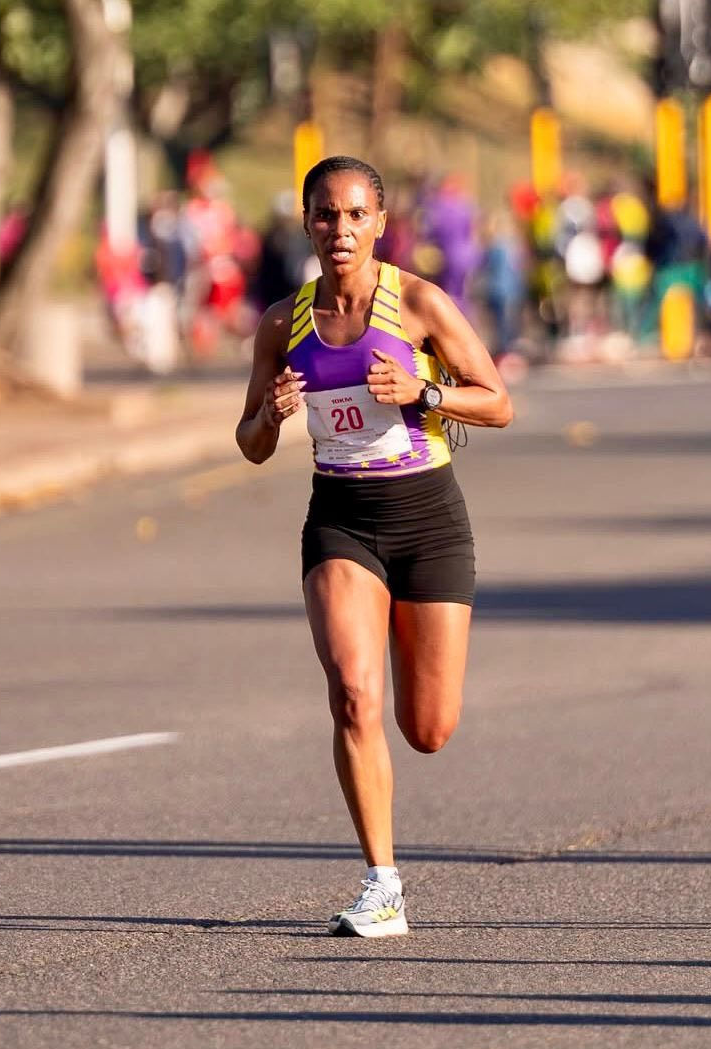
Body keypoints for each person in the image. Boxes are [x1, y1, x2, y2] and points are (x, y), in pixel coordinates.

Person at [235, 156, 512, 938]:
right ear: (307, 223)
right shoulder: (282, 323)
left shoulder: (419, 303)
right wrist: (274, 415)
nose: (341, 229)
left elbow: (498, 402)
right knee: (354, 695)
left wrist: (423, 391)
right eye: (326, 214)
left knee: (428, 727)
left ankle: (413, 649)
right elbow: (250, 441)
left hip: (428, 519)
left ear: (381, 224)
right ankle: (382, 883)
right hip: (341, 520)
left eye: (356, 215)